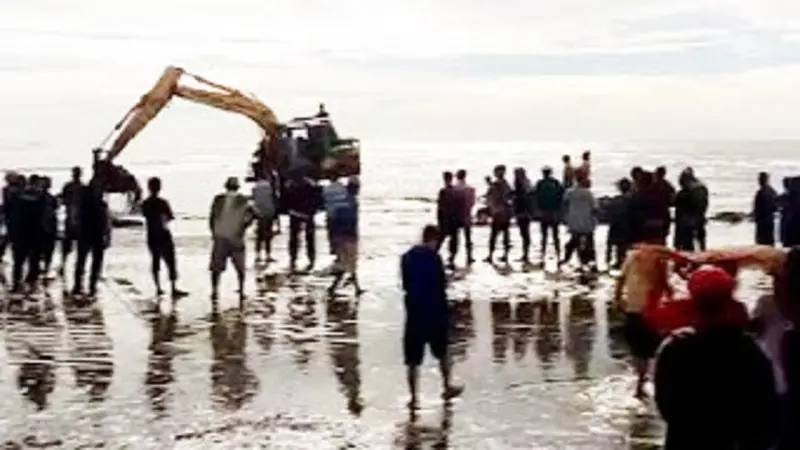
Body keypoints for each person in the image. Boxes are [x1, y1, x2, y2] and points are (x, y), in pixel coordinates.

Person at [654, 265, 779, 449]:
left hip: (685, 440)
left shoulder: (675, 346)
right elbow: (764, 407)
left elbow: (665, 406)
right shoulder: (748, 348)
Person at [400, 225, 464, 408]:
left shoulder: (407, 257)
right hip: (434, 311)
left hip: (414, 312)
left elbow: (406, 284)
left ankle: (413, 398)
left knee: (412, 360)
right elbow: (440, 285)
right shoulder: (434, 258)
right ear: (434, 239)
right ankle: (447, 387)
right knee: (442, 353)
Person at [614, 244, 672, 398]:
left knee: (638, 350)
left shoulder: (632, 255)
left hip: (633, 308)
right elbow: (663, 283)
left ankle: (639, 383)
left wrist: (617, 298)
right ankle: (653, 382)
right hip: (651, 310)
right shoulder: (660, 259)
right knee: (656, 348)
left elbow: (620, 279)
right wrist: (672, 295)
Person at [141, 177, 187, 299]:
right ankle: (173, 287)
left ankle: (158, 288)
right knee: (170, 261)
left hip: (151, 234)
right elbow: (170, 217)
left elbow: (145, 216)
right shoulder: (163, 202)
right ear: (159, 187)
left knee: (155, 261)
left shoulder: (145, 203)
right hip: (163, 233)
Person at [209, 177, 254, 301]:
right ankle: (241, 290)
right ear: (237, 187)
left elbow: (212, 218)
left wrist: (213, 232)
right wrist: (243, 227)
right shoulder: (243, 200)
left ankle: (214, 290)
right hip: (236, 237)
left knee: (216, 268)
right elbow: (252, 216)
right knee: (240, 268)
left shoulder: (218, 199)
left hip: (220, 236)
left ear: (226, 187)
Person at [73, 178, 111, 298]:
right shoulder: (85, 203)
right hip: (86, 233)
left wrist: (108, 235)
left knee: (95, 262)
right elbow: (78, 217)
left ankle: (91, 285)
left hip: (97, 234)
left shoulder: (101, 204)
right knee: (82, 261)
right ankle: (79, 284)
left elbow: (107, 221)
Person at [9, 175, 46, 294]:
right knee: (30, 261)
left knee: (20, 261)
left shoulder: (18, 197)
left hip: (23, 233)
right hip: (32, 233)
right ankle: (27, 283)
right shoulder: (39, 197)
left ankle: (18, 284)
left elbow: (12, 215)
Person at [327, 176, 363, 296]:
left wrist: (332, 240)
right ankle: (335, 287)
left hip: (340, 236)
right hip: (348, 236)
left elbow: (332, 220)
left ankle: (354, 285)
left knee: (346, 263)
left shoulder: (341, 201)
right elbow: (353, 222)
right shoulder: (352, 202)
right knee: (348, 263)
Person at [284, 175, 321, 272]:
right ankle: (311, 259)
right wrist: (314, 210)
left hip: (295, 213)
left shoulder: (291, 184)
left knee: (294, 238)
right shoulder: (312, 184)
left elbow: (285, 200)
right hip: (307, 213)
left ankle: (293, 258)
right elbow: (317, 199)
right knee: (310, 238)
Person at [560, 175, 597, 271]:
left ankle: (568, 259)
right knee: (589, 242)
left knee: (574, 241)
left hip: (574, 221)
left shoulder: (570, 192)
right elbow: (594, 207)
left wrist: (565, 217)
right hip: (587, 221)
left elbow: (564, 203)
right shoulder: (588, 193)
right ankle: (590, 261)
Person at [534, 166, 564, 263]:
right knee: (555, 235)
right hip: (554, 211)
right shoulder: (556, 183)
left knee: (544, 235)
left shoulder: (540, 183)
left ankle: (543, 255)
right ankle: (558, 254)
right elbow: (561, 196)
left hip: (544, 212)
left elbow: (536, 197)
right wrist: (560, 210)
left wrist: (537, 210)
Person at [59, 166, 84, 277]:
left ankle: (65, 265)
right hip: (75, 219)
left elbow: (63, 200)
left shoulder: (72, 187)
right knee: (70, 245)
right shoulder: (81, 187)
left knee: (70, 245)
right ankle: (65, 265)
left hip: (74, 219)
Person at [484, 165, 512, 263]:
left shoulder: (497, 184)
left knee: (494, 236)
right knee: (505, 235)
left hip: (498, 213)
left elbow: (493, 194)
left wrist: (489, 184)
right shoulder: (506, 184)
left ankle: (491, 255)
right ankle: (505, 255)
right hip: (505, 213)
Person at [605, 178, 632, 270]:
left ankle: (616, 262)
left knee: (617, 245)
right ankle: (622, 262)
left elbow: (611, 212)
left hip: (617, 225)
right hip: (628, 225)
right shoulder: (633, 198)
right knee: (624, 246)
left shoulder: (617, 200)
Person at [251, 174, 277, 263]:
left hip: (259, 213)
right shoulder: (271, 187)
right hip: (269, 212)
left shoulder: (255, 187)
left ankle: (257, 255)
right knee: (268, 235)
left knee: (259, 235)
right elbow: (274, 199)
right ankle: (268, 255)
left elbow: (254, 199)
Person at [436, 171, 459, 268]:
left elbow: (440, 207)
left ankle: (434, 254)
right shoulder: (455, 191)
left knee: (441, 239)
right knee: (453, 239)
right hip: (454, 218)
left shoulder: (443, 191)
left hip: (445, 218)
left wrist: (439, 219)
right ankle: (452, 258)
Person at [511, 167, 535, 263]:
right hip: (523, 211)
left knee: (524, 234)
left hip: (523, 212)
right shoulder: (525, 183)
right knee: (524, 234)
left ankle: (525, 255)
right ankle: (525, 254)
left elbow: (525, 197)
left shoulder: (522, 184)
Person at [452, 169, 475, 265]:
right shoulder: (470, 189)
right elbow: (472, 202)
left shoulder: (454, 189)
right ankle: (469, 256)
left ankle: (452, 256)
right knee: (468, 238)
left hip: (457, 215)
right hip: (467, 215)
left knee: (455, 238)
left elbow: (452, 203)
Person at [39, 176, 58, 280]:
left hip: (49, 226)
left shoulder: (51, 198)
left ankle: (45, 268)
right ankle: (43, 268)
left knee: (48, 250)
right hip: (41, 227)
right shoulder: (41, 197)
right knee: (41, 250)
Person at [753, 172, 779, 246]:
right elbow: (775, 207)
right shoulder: (772, 191)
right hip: (768, 219)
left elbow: (757, 207)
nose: (759, 181)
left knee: (762, 241)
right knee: (769, 240)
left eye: (760, 179)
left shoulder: (762, 192)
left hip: (763, 220)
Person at [653, 166, 676, 242]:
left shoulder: (651, 185)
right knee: (662, 237)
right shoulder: (667, 185)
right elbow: (673, 201)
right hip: (663, 213)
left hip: (658, 213)